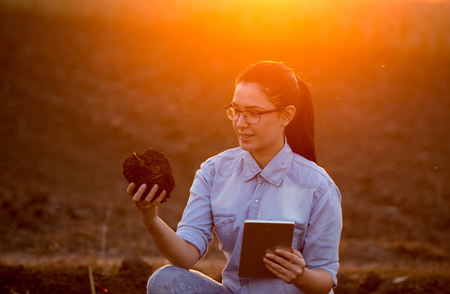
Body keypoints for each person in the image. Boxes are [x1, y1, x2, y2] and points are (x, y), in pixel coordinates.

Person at [127, 61, 343, 294]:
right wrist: (150, 218)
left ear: (286, 115)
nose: (240, 123)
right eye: (236, 111)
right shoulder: (214, 172)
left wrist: (300, 276)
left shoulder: (318, 186)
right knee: (165, 279)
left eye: (254, 113)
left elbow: (326, 277)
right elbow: (186, 255)